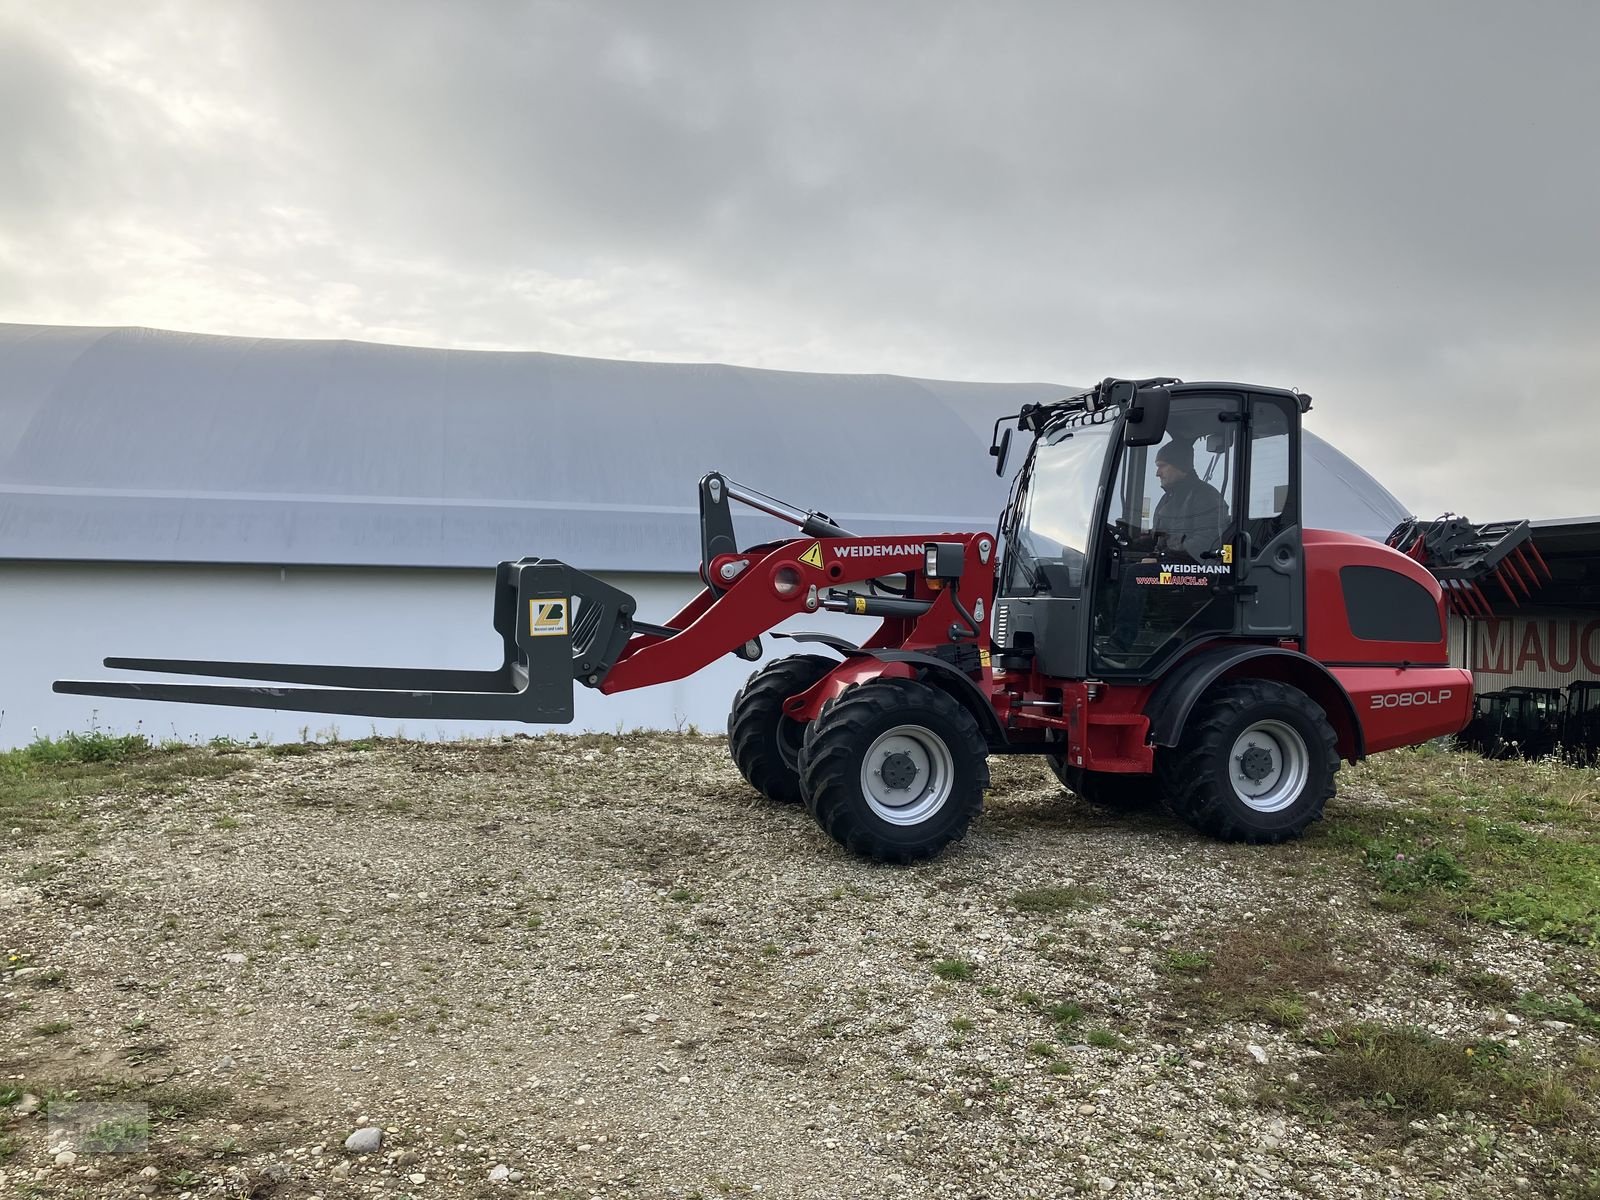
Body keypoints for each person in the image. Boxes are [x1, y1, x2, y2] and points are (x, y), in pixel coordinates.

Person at [1152, 439, 1228, 557]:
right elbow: (1160, 539)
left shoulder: (1206, 497)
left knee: (1135, 572)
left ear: (1180, 466)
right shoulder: (1167, 499)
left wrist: (1164, 557)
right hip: (1171, 562)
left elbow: (1206, 543)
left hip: (1195, 568)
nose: (1157, 473)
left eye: (1162, 466)